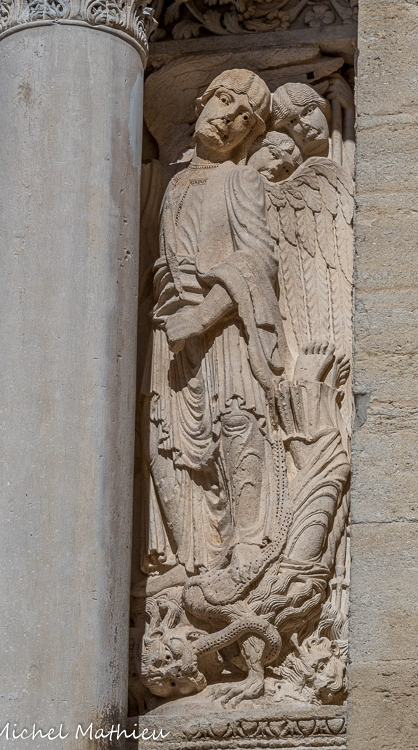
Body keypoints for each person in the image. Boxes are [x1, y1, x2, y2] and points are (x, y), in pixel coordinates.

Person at [141, 70, 287, 580]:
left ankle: (246, 542)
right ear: (203, 100)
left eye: (244, 119)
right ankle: (193, 558)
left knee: (236, 419)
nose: (228, 119)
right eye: (223, 100)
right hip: (166, 324)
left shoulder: (239, 179)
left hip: (220, 322)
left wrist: (202, 317)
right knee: (162, 441)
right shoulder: (172, 178)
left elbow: (257, 260)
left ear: (250, 135)